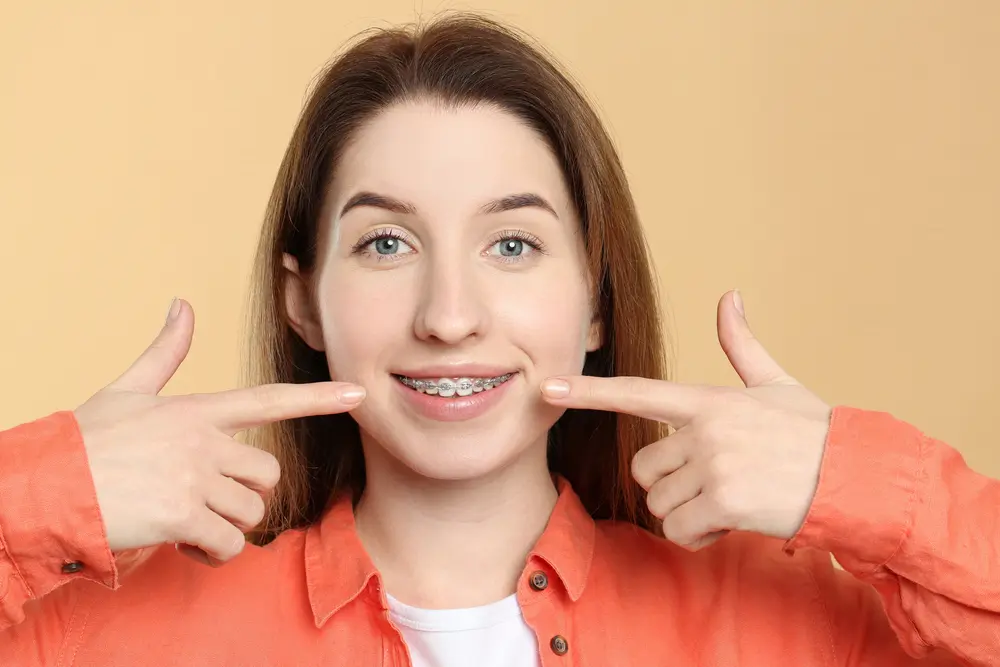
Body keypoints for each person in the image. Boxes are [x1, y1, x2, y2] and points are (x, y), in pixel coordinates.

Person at [0, 13, 996, 667]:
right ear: (303, 303)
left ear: (594, 301)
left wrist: (859, 485)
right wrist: (46, 498)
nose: (449, 314)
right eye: (386, 242)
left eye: (512, 243)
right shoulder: (116, 634)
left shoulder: (787, 628)